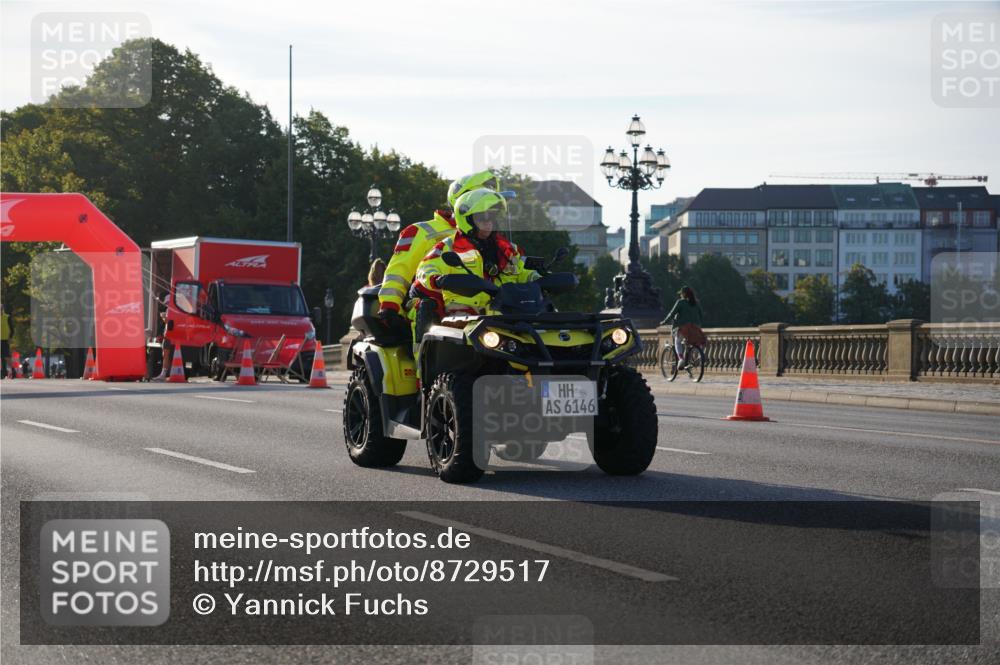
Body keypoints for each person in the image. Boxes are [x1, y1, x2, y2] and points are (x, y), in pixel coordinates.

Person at [376, 169, 500, 340]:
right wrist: (390, 307)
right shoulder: (420, 231)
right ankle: (425, 363)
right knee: (427, 307)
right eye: (479, 196)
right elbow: (399, 272)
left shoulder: (488, 235)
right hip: (431, 303)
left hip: (481, 307)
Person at [411, 188, 538, 347]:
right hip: (461, 324)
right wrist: (437, 279)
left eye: (491, 217)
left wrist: (538, 278)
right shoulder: (448, 247)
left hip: (507, 320)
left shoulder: (506, 249)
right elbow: (425, 268)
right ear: (467, 220)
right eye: (482, 218)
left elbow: (522, 271)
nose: (488, 223)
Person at [660, 286, 703, 370]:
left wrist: (664, 322)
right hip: (695, 328)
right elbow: (701, 315)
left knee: (677, 342)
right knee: (694, 343)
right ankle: (697, 356)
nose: (680, 295)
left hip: (683, 327)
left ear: (684, 294)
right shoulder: (696, 303)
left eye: (681, 293)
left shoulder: (680, 302)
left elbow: (671, 314)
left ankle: (681, 359)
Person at [1, 300, 11, 379]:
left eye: (1, 309)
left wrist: (10, 337)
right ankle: (3, 373)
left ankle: (12, 371)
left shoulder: (7, 317)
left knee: (6, 356)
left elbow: (12, 329)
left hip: (5, 339)